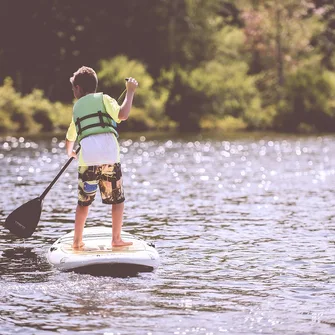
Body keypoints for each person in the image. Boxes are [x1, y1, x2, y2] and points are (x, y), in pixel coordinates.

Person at [65, 66, 138, 249]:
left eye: (74, 88)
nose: (74, 92)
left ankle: (77, 241)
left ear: (79, 89)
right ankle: (116, 239)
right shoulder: (105, 99)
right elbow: (123, 114)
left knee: (84, 203)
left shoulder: (76, 107)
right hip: (109, 157)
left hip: (87, 159)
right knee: (117, 200)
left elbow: (70, 136)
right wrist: (130, 93)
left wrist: (70, 152)